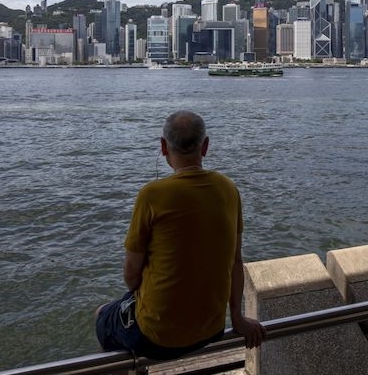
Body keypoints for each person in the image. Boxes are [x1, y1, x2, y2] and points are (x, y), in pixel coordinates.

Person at [95, 110, 266, 360]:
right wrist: (237, 318)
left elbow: (131, 274)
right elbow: (236, 261)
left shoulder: (152, 195)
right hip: (212, 328)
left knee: (103, 315)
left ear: (163, 147)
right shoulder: (228, 188)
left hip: (158, 336)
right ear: (205, 146)